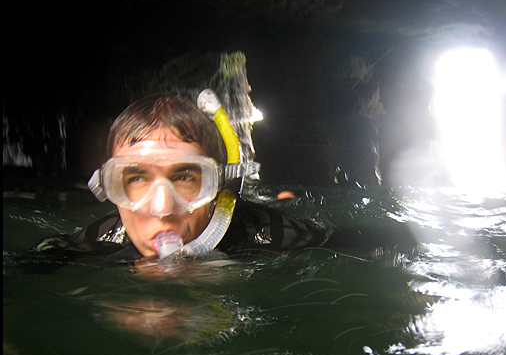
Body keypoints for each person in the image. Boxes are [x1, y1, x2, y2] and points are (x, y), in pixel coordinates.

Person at [23, 93, 329, 272]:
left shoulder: (271, 235)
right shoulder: (101, 238)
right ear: (109, 188)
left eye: (185, 177)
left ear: (218, 188)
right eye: (137, 178)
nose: (161, 208)